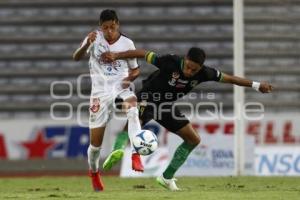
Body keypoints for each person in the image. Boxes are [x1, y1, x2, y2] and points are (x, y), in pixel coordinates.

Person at [101, 47, 273, 191]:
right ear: (185, 60)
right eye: (188, 67)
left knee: (193, 139)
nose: (189, 72)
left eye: (194, 70)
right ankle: (118, 150)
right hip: (148, 97)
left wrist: (256, 85)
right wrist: (116, 55)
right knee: (134, 123)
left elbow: (230, 79)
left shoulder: (205, 73)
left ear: (200, 68)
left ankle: (166, 177)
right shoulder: (169, 61)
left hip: (166, 106)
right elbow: (142, 53)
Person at [72, 9, 144, 192]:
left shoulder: (127, 43)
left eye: (112, 27)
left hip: (120, 88)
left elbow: (135, 70)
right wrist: (85, 44)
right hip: (99, 94)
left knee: (133, 107)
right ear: (100, 27)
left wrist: (126, 81)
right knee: (95, 146)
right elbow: (76, 57)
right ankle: (94, 172)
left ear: (117, 24)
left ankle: (136, 153)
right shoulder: (94, 38)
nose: (109, 31)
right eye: (105, 28)